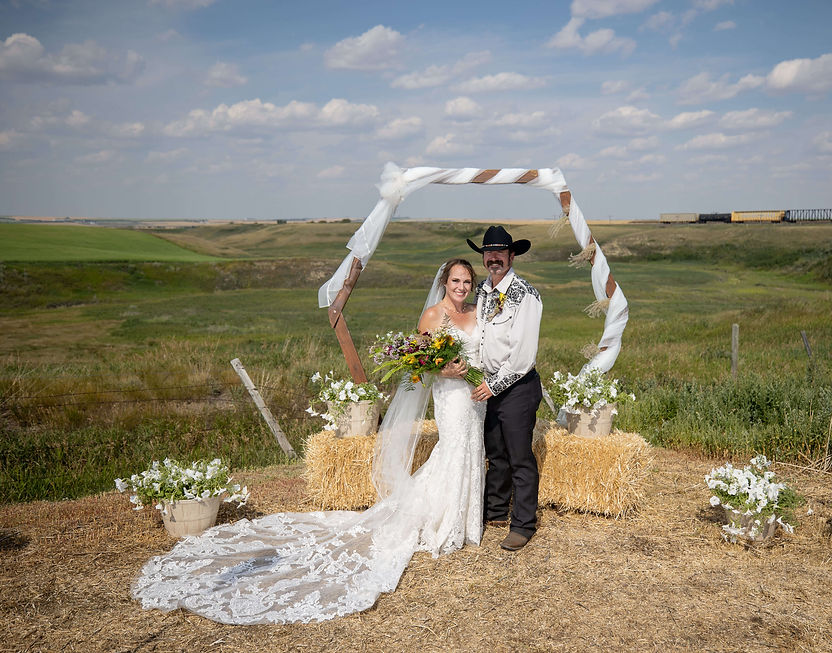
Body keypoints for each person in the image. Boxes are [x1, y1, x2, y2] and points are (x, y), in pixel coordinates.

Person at [129, 258, 486, 624]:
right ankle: (446, 523)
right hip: (451, 398)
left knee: (472, 448)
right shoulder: (432, 315)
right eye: (455, 281)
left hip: (477, 396)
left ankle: (465, 519)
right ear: (445, 282)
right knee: (454, 448)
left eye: (466, 282)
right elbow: (420, 362)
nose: (461, 287)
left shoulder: (477, 312)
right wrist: (446, 369)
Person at [467, 226, 543, 552]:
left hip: (517, 387)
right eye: (489, 253)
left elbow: (522, 356)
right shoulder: (482, 291)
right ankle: (496, 512)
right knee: (496, 454)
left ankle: (523, 525)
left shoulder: (526, 294)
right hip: (488, 385)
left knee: (519, 456)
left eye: (500, 252)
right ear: (483, 257)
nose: (494, 258)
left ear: (512, 256)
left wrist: (493, 386)